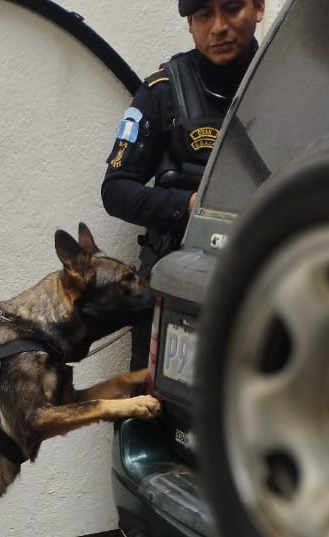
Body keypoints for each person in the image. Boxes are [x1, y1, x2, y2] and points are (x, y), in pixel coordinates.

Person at [101, 0, 266, 370]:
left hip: (264, 285)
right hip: (175, 290)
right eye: (204, 15)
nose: (219, 27)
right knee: (154, 418)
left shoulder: (290, 86)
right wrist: (190, 205)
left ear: (258, 7)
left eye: (232, 8)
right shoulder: (162, 91)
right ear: (190, 24)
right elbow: (115, 189)